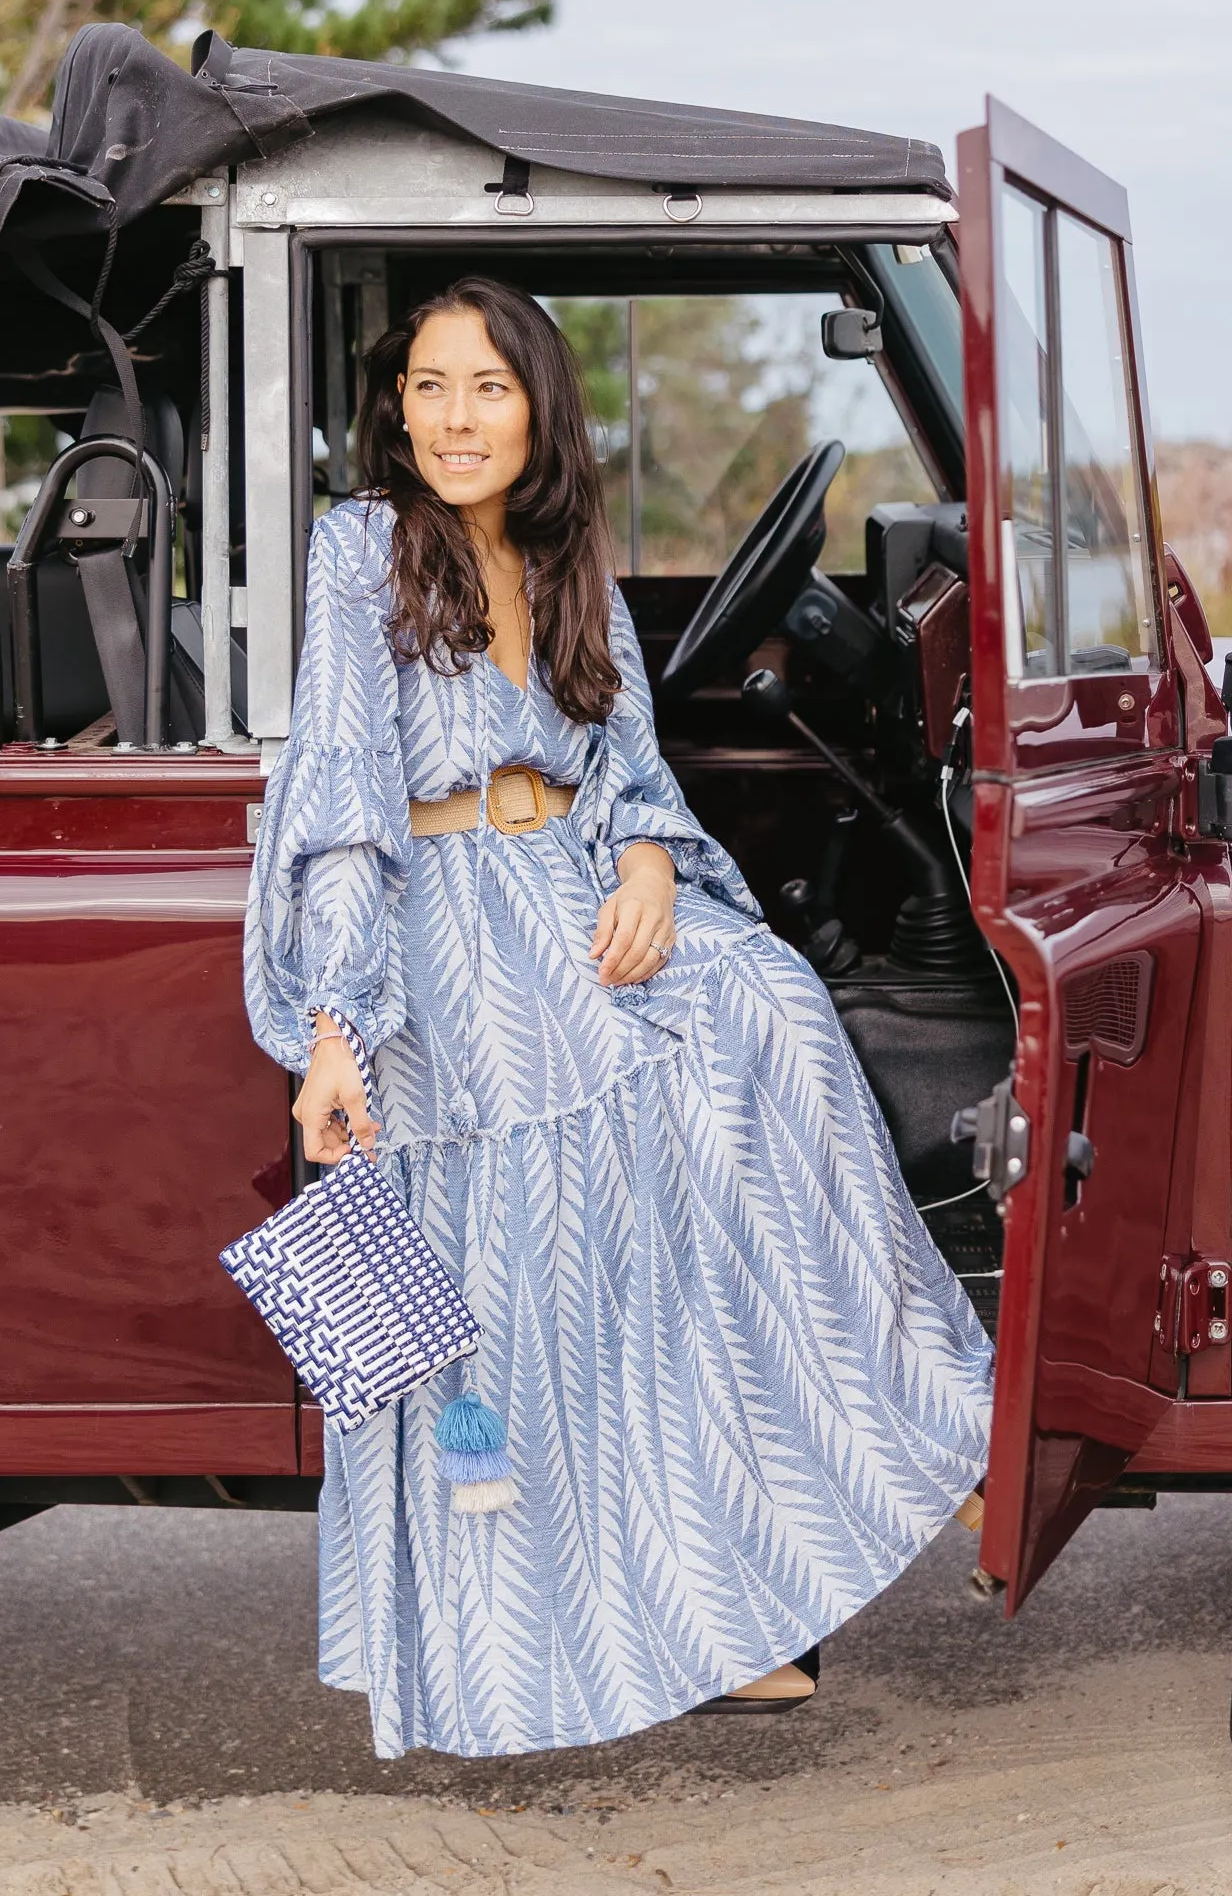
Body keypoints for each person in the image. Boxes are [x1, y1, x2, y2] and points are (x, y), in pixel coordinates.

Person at [243, 277, 991, 1761]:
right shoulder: (360, 553)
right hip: (443, 929)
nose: (458, 419)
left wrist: (648, 851)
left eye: (491, 390)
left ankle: (883, 1440)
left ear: (541, 411)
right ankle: (543, 1641)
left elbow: (628, 754)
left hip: (571, 876)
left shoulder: (562, 551)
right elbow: (337, 803)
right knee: (533, 1283)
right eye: (433, 388)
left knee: (772, 1008)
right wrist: (337, 1025)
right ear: (397, 407)